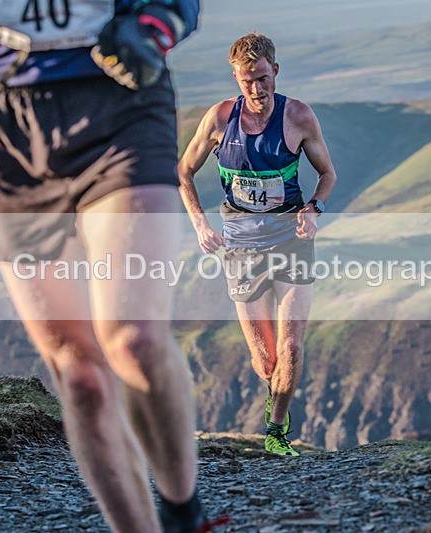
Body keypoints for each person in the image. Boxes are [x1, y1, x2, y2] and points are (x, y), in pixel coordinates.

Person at [0, 0, 228, 530]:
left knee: (134, 339)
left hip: (116, 91)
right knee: (80, 377)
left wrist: (161, 20)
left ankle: (183, 514)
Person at [178, 32, 337, 456]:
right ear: (235, 77)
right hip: (241, 247)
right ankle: (274, 391)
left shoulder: (298, 116)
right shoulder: (218, 118)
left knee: (292, 347)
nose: (256, 89)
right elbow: (184, 172)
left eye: (263, 78)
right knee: (266, 361)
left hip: (291, 239)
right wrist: (199, 224)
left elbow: (328, 174)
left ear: (276, 71)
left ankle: (276, 430)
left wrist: (314, 209)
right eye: (247, 80)